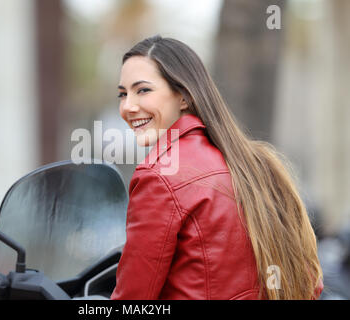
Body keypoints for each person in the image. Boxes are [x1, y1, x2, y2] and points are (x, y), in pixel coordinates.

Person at [111, 35, 323, 300]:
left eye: (143, 90)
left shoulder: (159, 176)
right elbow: (309, 282)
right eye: (122, 94)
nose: (128, 106)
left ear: (184, 97)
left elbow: (133, 300)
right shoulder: (258, 164)